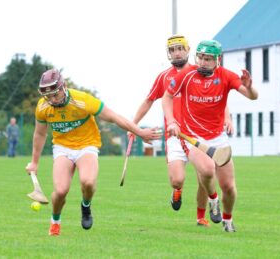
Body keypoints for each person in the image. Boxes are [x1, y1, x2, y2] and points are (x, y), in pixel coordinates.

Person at [25, 69, 161, 236]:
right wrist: (34, 162)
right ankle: (55, 220)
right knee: (60, 191)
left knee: (88, 182)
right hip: (62, 147)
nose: (52, 99)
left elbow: (114, 117)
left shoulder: (83, 100)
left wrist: (140, 132)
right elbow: (40, 133)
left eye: (55, 94)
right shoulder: (43, 107)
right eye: (48, 96)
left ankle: (86, 206)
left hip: (87, 145)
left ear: (63, 87)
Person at [132, 35, 233, 227]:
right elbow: (149, 100)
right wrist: (133, 125)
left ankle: (202, 215)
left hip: (197, 133)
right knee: (177, 179)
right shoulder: (164, 77)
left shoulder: (200, 72)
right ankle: (177, 190)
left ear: (188, 51)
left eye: (180, 48)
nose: (176, 52)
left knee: (204, 174)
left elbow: (218, 100)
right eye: (172, 50)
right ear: (168, 53)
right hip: (174, 136)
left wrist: (227, 117)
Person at [162, 40, 258, 232]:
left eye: (208, 59)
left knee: (229, 187)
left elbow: (252, 97)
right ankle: (213, 201)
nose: (203, 62)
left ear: (217, 59)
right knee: (206, 170)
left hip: (218, 138)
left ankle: (228, 221)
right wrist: (171, 120)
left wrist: (250, 87)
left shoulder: (226, 76)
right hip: (192, 136)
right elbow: (167, 97)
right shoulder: (186, 75)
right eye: (201, 58)